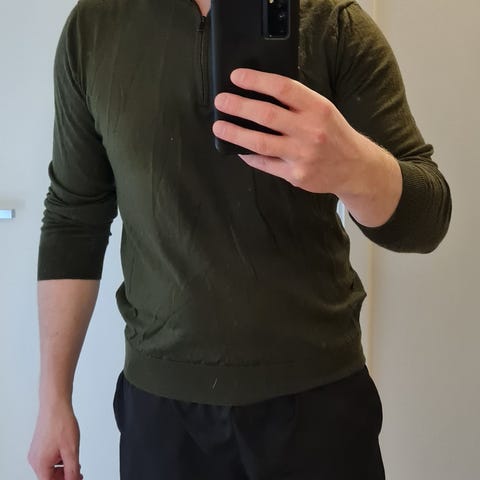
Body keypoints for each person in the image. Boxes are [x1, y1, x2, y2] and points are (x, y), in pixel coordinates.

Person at [28, 0, 452, 479]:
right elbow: (73, 219)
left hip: (319, 404)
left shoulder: (331, 22)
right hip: (162, 412)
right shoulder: (95, 25)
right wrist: (53, 398)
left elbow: (428, 218)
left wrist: (355, 168)